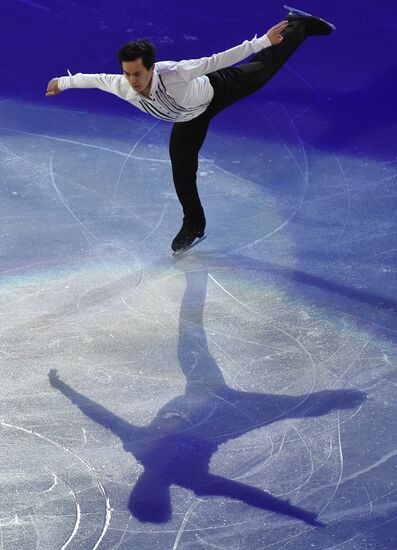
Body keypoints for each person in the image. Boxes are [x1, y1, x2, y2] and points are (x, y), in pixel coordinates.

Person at [46, 6, 335, 253]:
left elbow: (217, 60)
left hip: (218, 89)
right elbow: (92, 79)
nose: (132, 80)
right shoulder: (122, 85)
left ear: (151, 68)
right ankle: (193, 224)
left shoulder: (175, 73)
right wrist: (61, 82)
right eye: (127, 73)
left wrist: (262, 41)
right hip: (188, 119)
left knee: (262, 71)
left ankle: (299, 24)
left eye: (138, 73)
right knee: (182, 170)